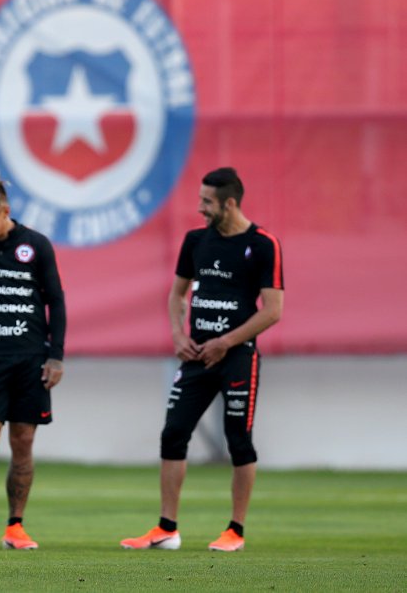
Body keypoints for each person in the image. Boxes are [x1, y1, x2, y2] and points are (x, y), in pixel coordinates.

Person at [121, 167, 284, 553]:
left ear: (230, 203)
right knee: (173, 434)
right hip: (196, 356)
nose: (200, 208)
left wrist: (225, 342)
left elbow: (272, 310)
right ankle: (167, 529)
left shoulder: (263, 244)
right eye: (200, 200)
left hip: (238, 356)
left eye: (207, 202)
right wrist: (179, 336)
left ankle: (235, 531)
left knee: (238, 440)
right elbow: (177, 295)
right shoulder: (196, 241)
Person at [0, 175, 66, 551]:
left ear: (5, 211)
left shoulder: (35, 245)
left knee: (23, 441)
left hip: (30, 360)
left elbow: (56, 301)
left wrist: (56, 355)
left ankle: (15, 527)